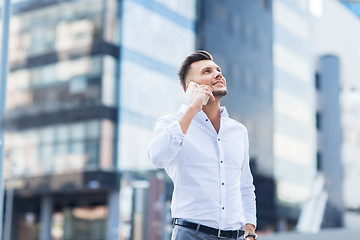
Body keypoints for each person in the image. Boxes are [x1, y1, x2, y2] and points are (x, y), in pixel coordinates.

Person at [147, 50, 257, 240]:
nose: (217, 74)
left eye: (218, 70)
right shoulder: (171, 123)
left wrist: (249, 231)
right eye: (207, 71)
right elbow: (157, 157)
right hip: (191, 234)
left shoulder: (238, 131)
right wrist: (193, 108)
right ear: (191, 87)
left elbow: (245, 186)